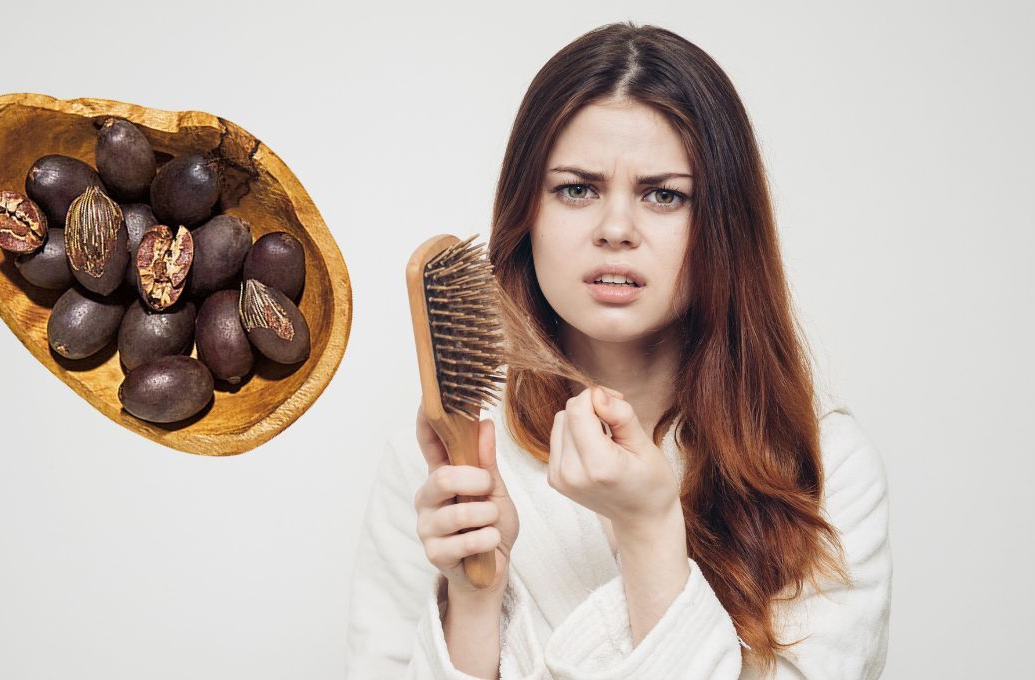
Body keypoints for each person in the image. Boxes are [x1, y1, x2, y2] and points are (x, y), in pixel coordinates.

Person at [346, 21, 892, 680]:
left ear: (721, 225)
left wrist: (651, 532)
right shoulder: (441, 467)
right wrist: (472, 601)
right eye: (577, 188)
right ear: (528, 213)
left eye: (664, 195)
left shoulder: (824, 467)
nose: (615, 230)